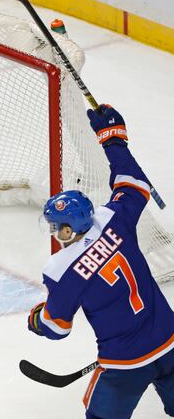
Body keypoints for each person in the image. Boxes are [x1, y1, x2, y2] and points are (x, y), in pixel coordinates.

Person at [28, 104, 174, 418]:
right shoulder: (113, 218)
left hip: (126, 364)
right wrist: (113, 139)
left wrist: (37, 319)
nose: (54, 232)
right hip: (170, 339)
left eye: (55, 226)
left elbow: (56, 327)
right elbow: (133, 183)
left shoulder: (61, 270)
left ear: (67, 229)